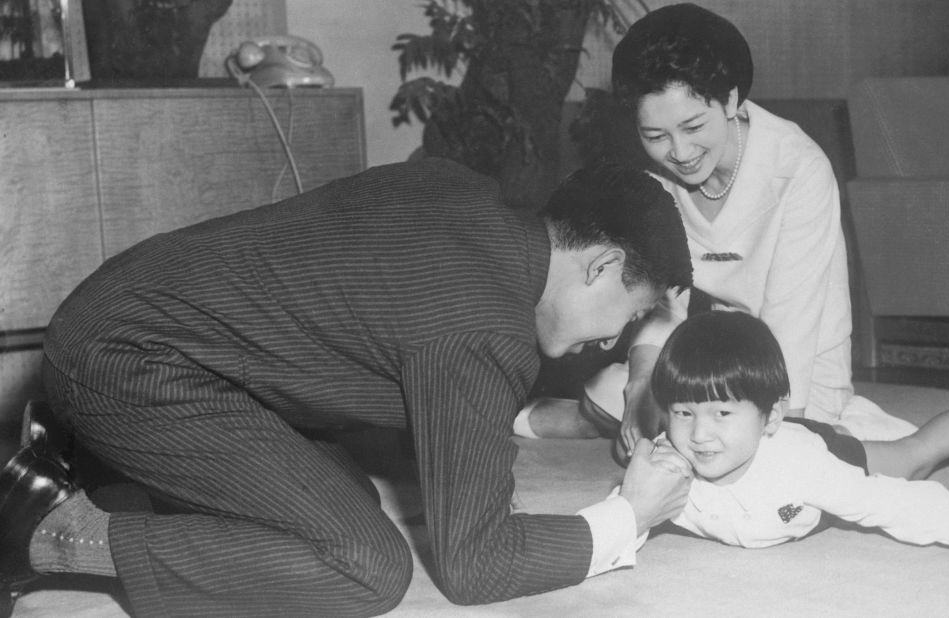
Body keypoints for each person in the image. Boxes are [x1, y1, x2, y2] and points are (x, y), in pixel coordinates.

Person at [0, 158, 696, 617]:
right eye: (630, 313)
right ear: (601, 264)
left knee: (347, 502)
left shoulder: (467, 197)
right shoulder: (481, 326)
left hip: (129, 315)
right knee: (364, 566)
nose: (611, 341)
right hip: (127, 362)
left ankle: (100, 467)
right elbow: (476, 565)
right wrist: (625, 517)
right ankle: (52, 533)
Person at [515, 2, 916, 452]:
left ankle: (589, 417)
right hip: (712, 353)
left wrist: (782, 431)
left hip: (797, 362)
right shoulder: (651, 178)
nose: (680, 152)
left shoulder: (798, 169)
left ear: (730, 99)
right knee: (642, 395)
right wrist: (641, 384)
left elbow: (794, 326)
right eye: (656, 136)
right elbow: (664, 300)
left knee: (795, 450)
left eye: (693, 126)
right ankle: (606, 411)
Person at [616, 310, 949, 557]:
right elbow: (616, 518)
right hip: (781, 441)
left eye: (722, 412)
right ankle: (857, 421)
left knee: (914, 457)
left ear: (770, 416)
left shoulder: (805, 467)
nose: (699, 434)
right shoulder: (666, 466)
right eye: (683, 412)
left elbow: (885, 503)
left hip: (820, 448)